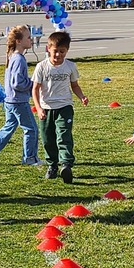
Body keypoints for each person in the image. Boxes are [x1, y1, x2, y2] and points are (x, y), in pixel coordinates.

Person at [0, 25, 40, 166]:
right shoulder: (18, 59)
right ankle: (30, 158)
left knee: (9, 126)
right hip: (18, 101)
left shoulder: (13, 57)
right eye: (28, 38)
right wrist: (32, 85)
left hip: (10, 100)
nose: (31, 40)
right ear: (18, 41)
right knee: (31, 129)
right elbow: (17, 83)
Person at [31, 30, 88, 183]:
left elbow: (74, 85)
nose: (58, 55)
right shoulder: (42, 67)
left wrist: (81, 96)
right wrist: (39, 108)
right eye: (55, 51)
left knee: (64, 135)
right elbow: (35, 89)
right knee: (48, 139)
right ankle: (52, 166)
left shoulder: (70, 66)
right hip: (46, 108)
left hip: (64, 107)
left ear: (67, 51)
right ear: (48, 49)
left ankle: (66, 164)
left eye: (62, 52)